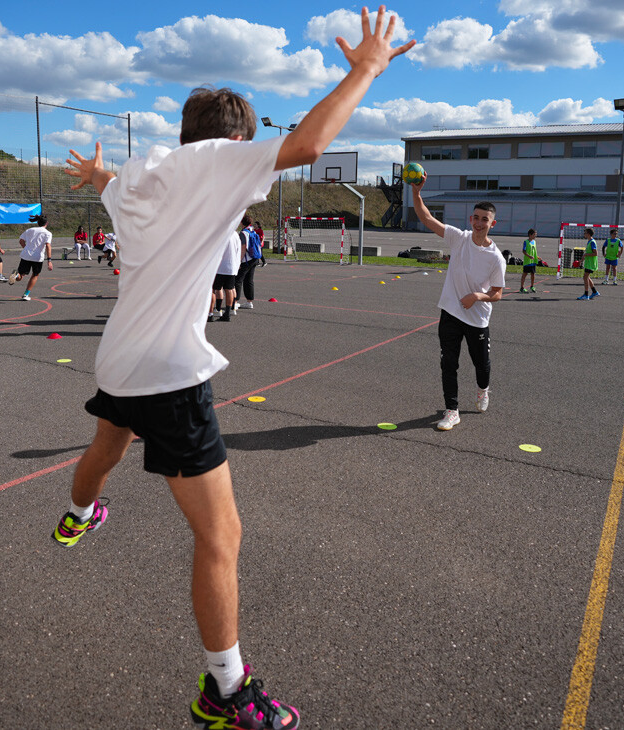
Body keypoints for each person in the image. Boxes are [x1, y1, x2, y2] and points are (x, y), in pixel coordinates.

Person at [56, 8, 413, 728]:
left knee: (106, 445)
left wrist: (96, 171)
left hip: (120, 357)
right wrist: (366, 68)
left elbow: (107, 187)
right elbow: (310, 144)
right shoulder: (220, 161)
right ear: (236, 139)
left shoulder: (138, 175)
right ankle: (225, 690)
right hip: (167, 370)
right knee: (221, 538)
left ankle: (78, 513)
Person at [410, 182, 506, 432]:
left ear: (492, 224)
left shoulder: (496, 257)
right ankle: (451, 410)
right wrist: (416, 193)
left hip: (477, 320)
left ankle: (483, 391)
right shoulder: (459, 238)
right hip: (450, 313)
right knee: (448, 363)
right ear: (470, 218)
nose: (478, 222)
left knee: (481, 365)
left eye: (484, 219)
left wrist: (476, 296)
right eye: (475, 217)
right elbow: (427, 218)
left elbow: (497, 294)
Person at [7, 214, 52, 301]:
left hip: (26, 255)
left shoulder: (29, 230)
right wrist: (49, 260)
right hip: (37, 257)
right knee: (35, 275)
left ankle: (15, 275)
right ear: (46, 223)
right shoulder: (47, 233)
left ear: (38, 222)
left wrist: (26, 249)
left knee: (20, 275)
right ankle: (25, 294)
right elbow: (48, 246)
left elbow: (21, 241)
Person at [210, 229, 240, 322]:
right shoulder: (235, 234)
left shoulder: (221, 233)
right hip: (232, 266)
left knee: (214, 289)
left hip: (220, 267)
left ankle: (210, 313)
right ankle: (227, 312)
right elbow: (238, 250)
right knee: (229, 289)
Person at [236, 215, 263, 310]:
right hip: (254, 258)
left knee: (238, 280)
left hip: (246, 260)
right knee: (249, 280)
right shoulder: (252, 230)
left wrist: (239, 261)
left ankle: (235, 301)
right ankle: (249, 301)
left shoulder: (243, 233)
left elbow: (243, 248)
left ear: (241, 222)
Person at [517, 228, 548, 293]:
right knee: (525, 274)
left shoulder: (534, 242)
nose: (535, 236)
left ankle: (532, 286)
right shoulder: (526, 242)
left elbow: (533, 251)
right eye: (534, 234)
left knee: (533, 274)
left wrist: (537, 257)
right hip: (527, 261)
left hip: (533, 262)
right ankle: (522, 287)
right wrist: (529, 256)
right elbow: (524, 251)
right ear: (530, 235)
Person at [578, 228, 599, 300]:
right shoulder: (589, 242)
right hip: (588, 263)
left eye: (585, 233)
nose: (584, 234)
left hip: (591, 263)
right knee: (586, 277)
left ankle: (586, 294)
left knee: (585, 277)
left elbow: (595, 253)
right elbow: (587, 254)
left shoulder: (592, 242)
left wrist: (586, 254)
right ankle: (594, 291)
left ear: (588, 234)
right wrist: (582, 260)